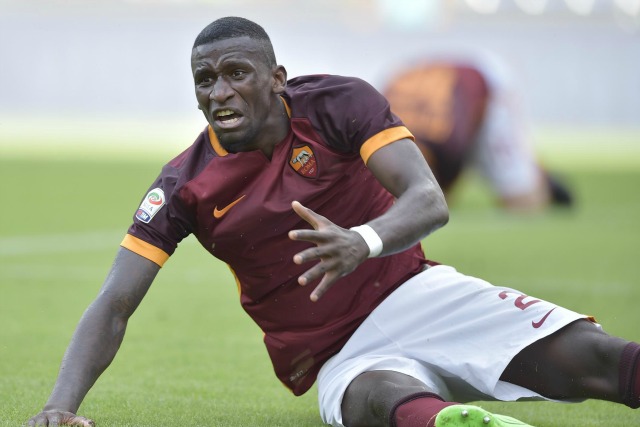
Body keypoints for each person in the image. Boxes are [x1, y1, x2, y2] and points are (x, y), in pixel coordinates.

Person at [28, 16, 639, 427]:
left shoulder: (338, 104)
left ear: (276, 78)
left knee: (595, 359)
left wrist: (361, 242)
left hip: (420, 296)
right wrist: (60, 407)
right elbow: (114, 304)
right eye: (205, 80)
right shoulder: (184, 186)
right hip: (335, 356)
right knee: (381, 400)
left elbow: (428, 198)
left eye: (236, 73)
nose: (220, 92)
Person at [382, 54, 573, 212]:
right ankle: (529, 168)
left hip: (486, 84)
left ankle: (541, 180)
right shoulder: (378, 130)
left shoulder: (447, 147)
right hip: (438, 83)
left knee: (522, 201)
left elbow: (433, 203)